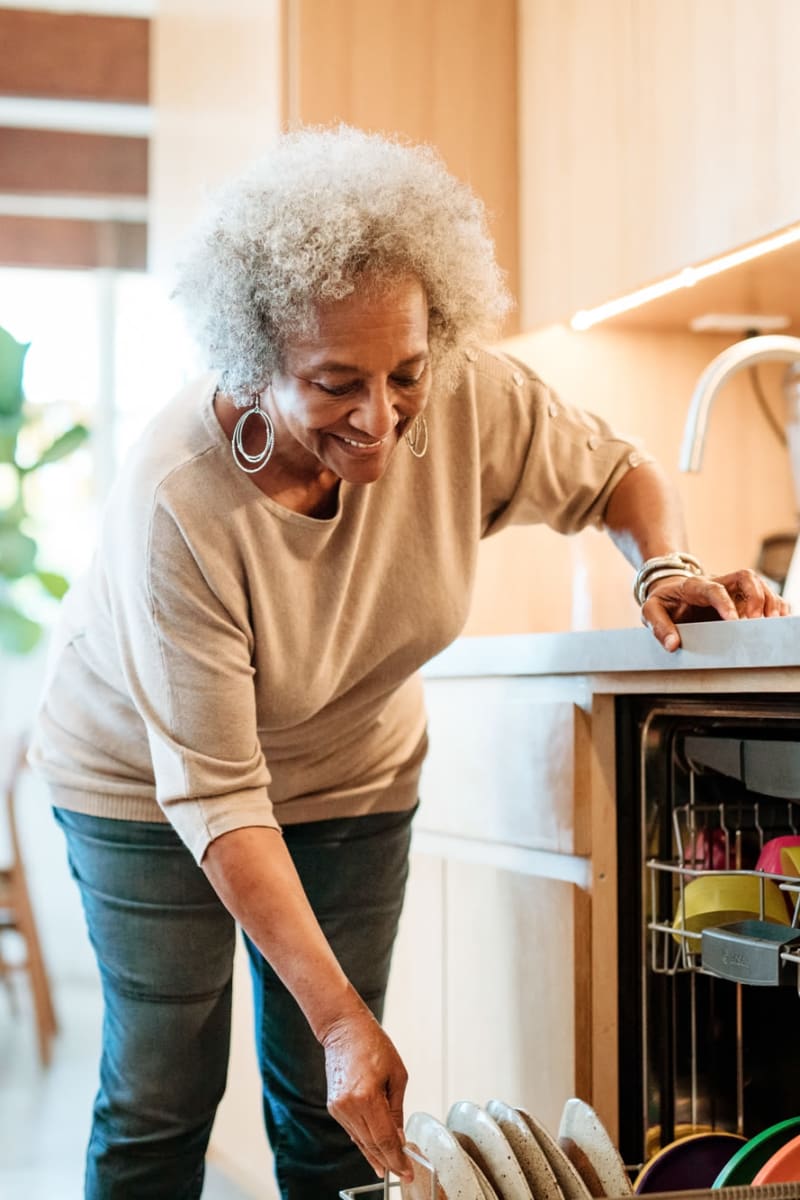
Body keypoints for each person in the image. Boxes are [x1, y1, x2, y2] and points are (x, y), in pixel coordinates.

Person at [29, 124, 789, 1200]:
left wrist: (658, 564)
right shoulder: (176, 500)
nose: (380, 417)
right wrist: (341, 1020)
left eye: (405, 374)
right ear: (252, 362)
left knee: (329, 1106)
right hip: (145, 797)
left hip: (350, 780)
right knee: (164, 1091)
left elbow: (614, 472)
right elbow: (217, 792)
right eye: (335, 382)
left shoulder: (467, 395)